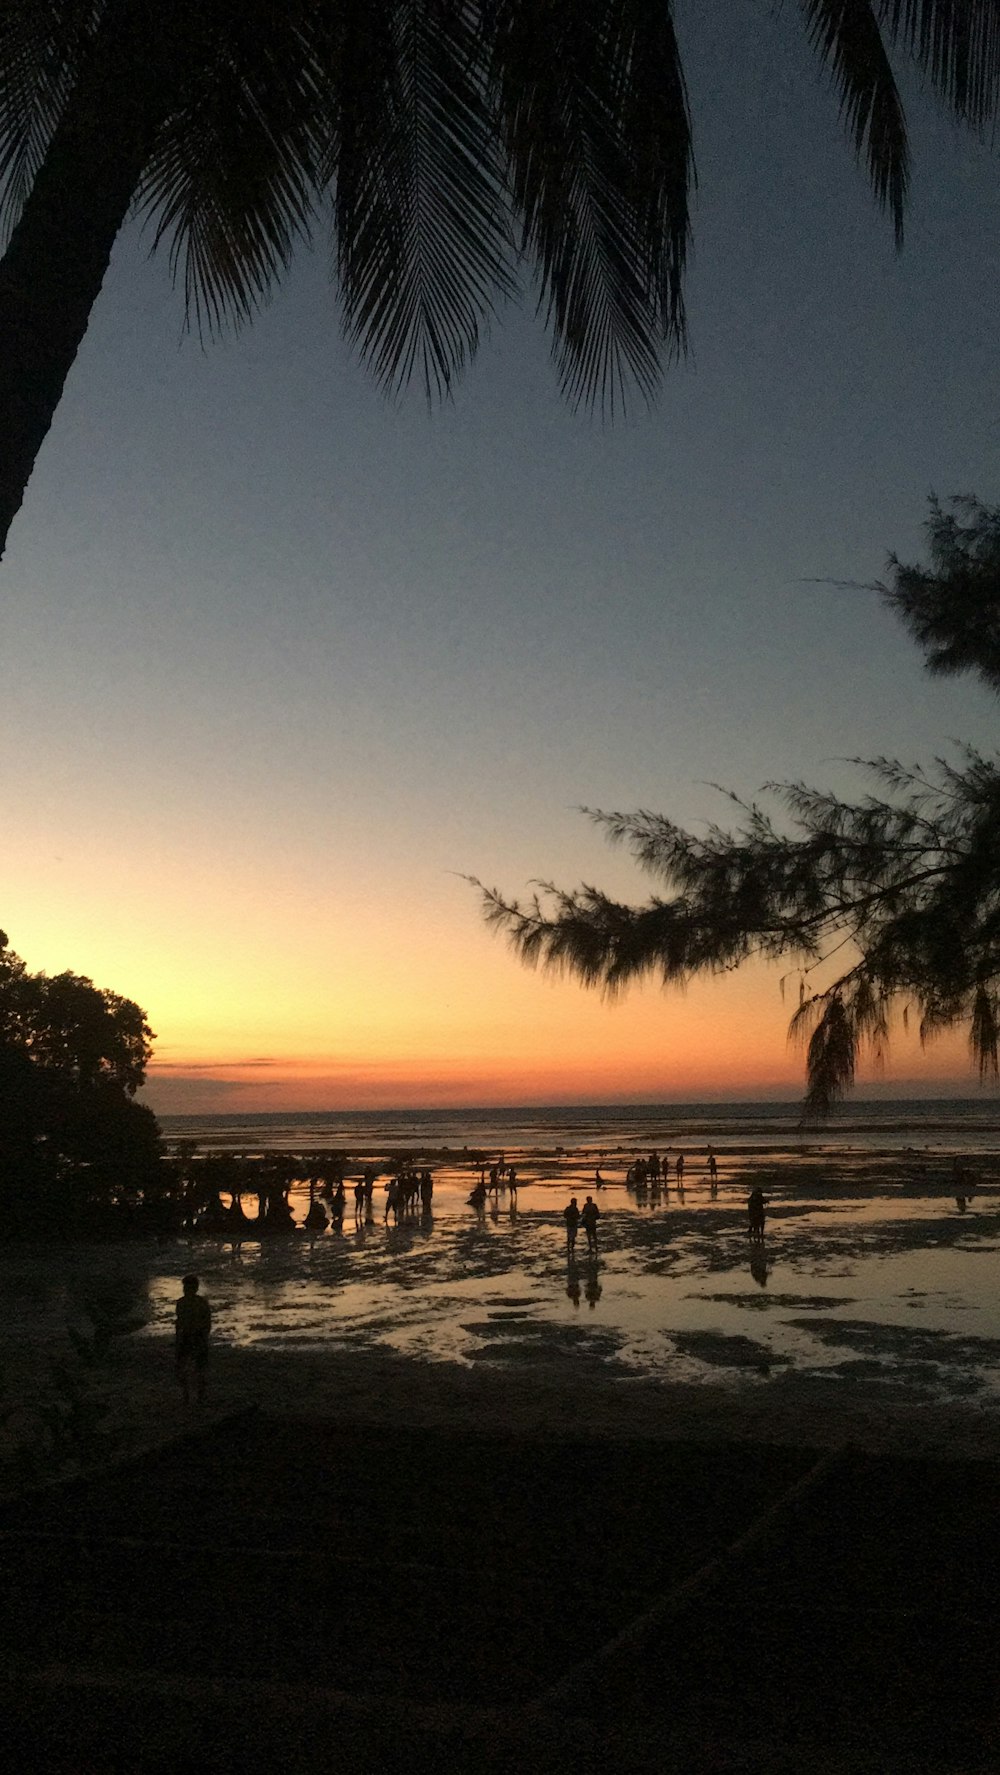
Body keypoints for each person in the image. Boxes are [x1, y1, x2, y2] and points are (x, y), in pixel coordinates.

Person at [175, 1274, 211, 1405]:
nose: (185, 1289)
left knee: (192, 1368)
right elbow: (207, 1323)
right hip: (193, 1337)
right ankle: (193, 1396)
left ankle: (191, 1396)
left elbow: (179, 1323)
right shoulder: (199, 1303)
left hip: (193, 1337)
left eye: (187, 1287)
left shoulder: (183, 1303)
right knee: (195, 1368)